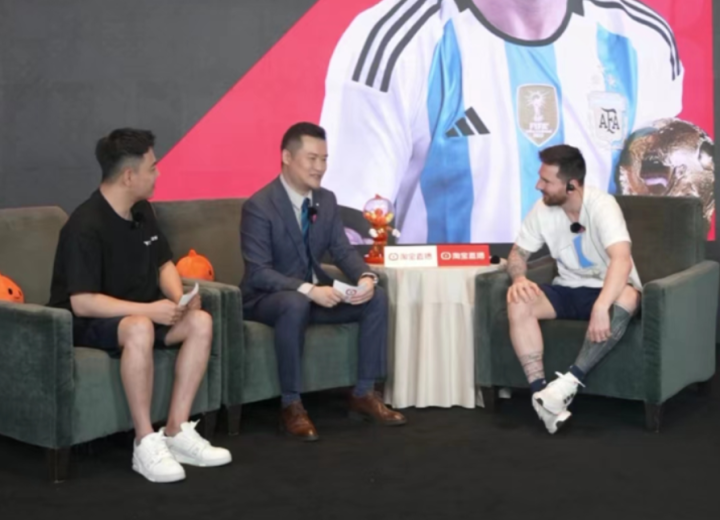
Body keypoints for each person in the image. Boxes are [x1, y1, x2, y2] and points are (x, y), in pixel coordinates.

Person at [320, 0, 683, 244]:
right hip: (449, 319)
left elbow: (659, 220)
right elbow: (346, 236)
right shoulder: (393, 42)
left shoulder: (643, 40)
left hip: (592, 317)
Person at [49, 129, 231, 483]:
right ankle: (145, 441)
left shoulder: (142, 210)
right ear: (129, 176)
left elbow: (164, 263)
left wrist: (178, 300)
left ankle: (176, 430)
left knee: (201, 321)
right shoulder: (84, 225)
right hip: (87, 322)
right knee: (139, 326)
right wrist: (151, 311)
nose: (158, 173)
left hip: (140, 312)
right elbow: (82, 302)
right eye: (153, 167)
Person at [240, 122, 407, 441]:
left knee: (377, 298)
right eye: (312, 158)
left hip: (314, 296)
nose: (320, 167)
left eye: (325, 159)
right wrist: (309, 290)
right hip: (266, 299)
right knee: (294, 302)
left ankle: (364, 393)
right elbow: (259, 271)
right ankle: (291, 405)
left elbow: (341, 250)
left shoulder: (326, 200)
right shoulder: (259, 206)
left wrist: (365, 277)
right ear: (287, 157)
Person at [505, 144, 641, 434]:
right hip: (567, 288)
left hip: (606, 289)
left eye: (546, 181)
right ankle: (541, 396)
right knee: (519, 301)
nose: (538, 185)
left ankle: (566, 384)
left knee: (629, 296)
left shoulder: (602, 205)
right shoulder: (542, 209)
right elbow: (517, 254)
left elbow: (622, 260)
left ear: (571, 185)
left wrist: (601, 306)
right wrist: (519, 279)